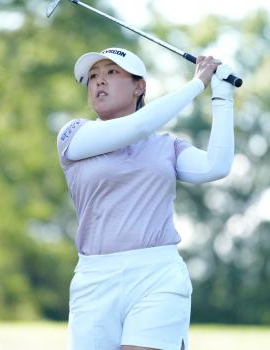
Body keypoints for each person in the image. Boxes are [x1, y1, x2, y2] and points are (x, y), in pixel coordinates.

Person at [57, 47, 235, 350]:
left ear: (139, 87)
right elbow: (138, 125)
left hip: (157, 275)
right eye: (93, 77)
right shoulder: (73, 135)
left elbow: (215, 166)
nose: (99, 81)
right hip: (94, 279)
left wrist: (222, 97)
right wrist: (196, 84)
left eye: (112, 73)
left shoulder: (167, 146)